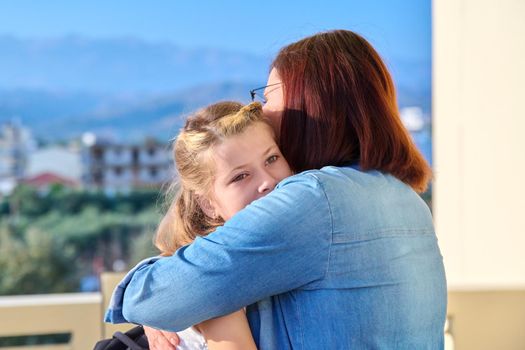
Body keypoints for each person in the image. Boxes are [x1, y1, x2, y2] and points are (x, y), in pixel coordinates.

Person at [106, 29, 447, 349]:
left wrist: (173, 296)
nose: (263, 112)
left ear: (310, 107)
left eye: (269, 97)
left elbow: (152, 297)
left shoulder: (314, 199)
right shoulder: (406, 200)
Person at [109, 101, 291, 349]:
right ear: (208, 205)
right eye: (240, 176)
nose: (267, 181)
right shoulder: (215, 278)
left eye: (271, 158)